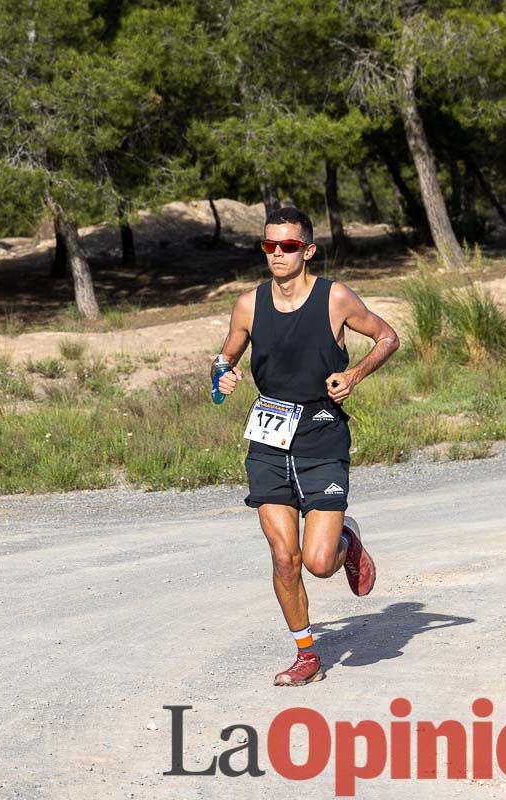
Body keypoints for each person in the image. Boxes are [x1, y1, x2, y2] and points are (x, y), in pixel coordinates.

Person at [213, 206, 400, 686]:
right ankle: (307, 654)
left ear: (307, 250)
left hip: (321, 430)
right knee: (283, 556)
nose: (277, 253)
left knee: (318, 563)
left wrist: (354, 374)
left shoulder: (334, 297)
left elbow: (387, 336)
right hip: (269, 436)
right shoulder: (248, 305)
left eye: (288, 246)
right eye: (269, 245)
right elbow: (224, 359)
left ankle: (345, 541)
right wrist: (222, 378)